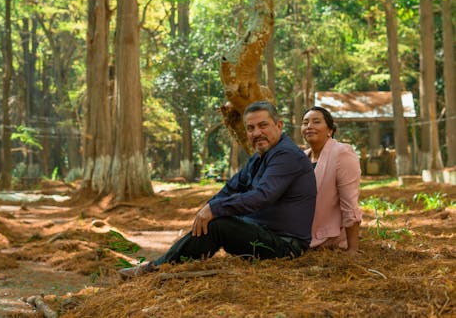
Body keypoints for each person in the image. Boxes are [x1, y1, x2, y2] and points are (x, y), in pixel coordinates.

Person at [119, 101, 317, 278]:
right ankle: (166, 265)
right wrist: (207, 208)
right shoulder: (262, 154)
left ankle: (154, 269)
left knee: (218, 224)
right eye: (250, 128)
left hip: (286, 246)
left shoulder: (286, 155)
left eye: (263, 125)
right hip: (262, 234)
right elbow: (233, 186)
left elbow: (261, 197)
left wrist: (214, 209)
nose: (256, 133)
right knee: (214, 220)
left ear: (279, 125)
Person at [300, 106, 362, 253]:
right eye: (305, 122)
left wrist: (353, 248)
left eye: (316, 122)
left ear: (330, 130)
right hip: (300, 235)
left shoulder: (342, 153)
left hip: (328, 238)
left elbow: (349, 203)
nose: (309, 126)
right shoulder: (301, 157)